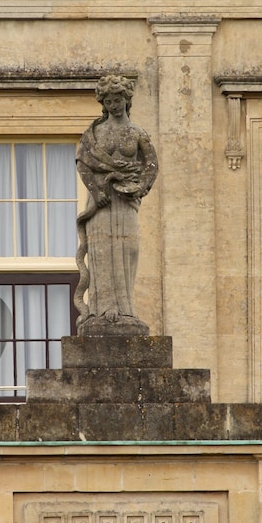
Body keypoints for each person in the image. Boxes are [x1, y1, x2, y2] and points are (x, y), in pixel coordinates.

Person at [74, 75, 158, 336]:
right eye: (109, 100)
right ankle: (101, 309)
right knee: (101, 253)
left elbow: (151, 165)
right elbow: (83, 163)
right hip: (101, 202)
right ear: (103, 103)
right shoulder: (95, 133)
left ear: (126, 100)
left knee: (128, 248)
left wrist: (140, 188)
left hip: (126, 201)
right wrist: (96, 191)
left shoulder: (137, 133)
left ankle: (126, 309)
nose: (114, 105)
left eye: (118, 99)